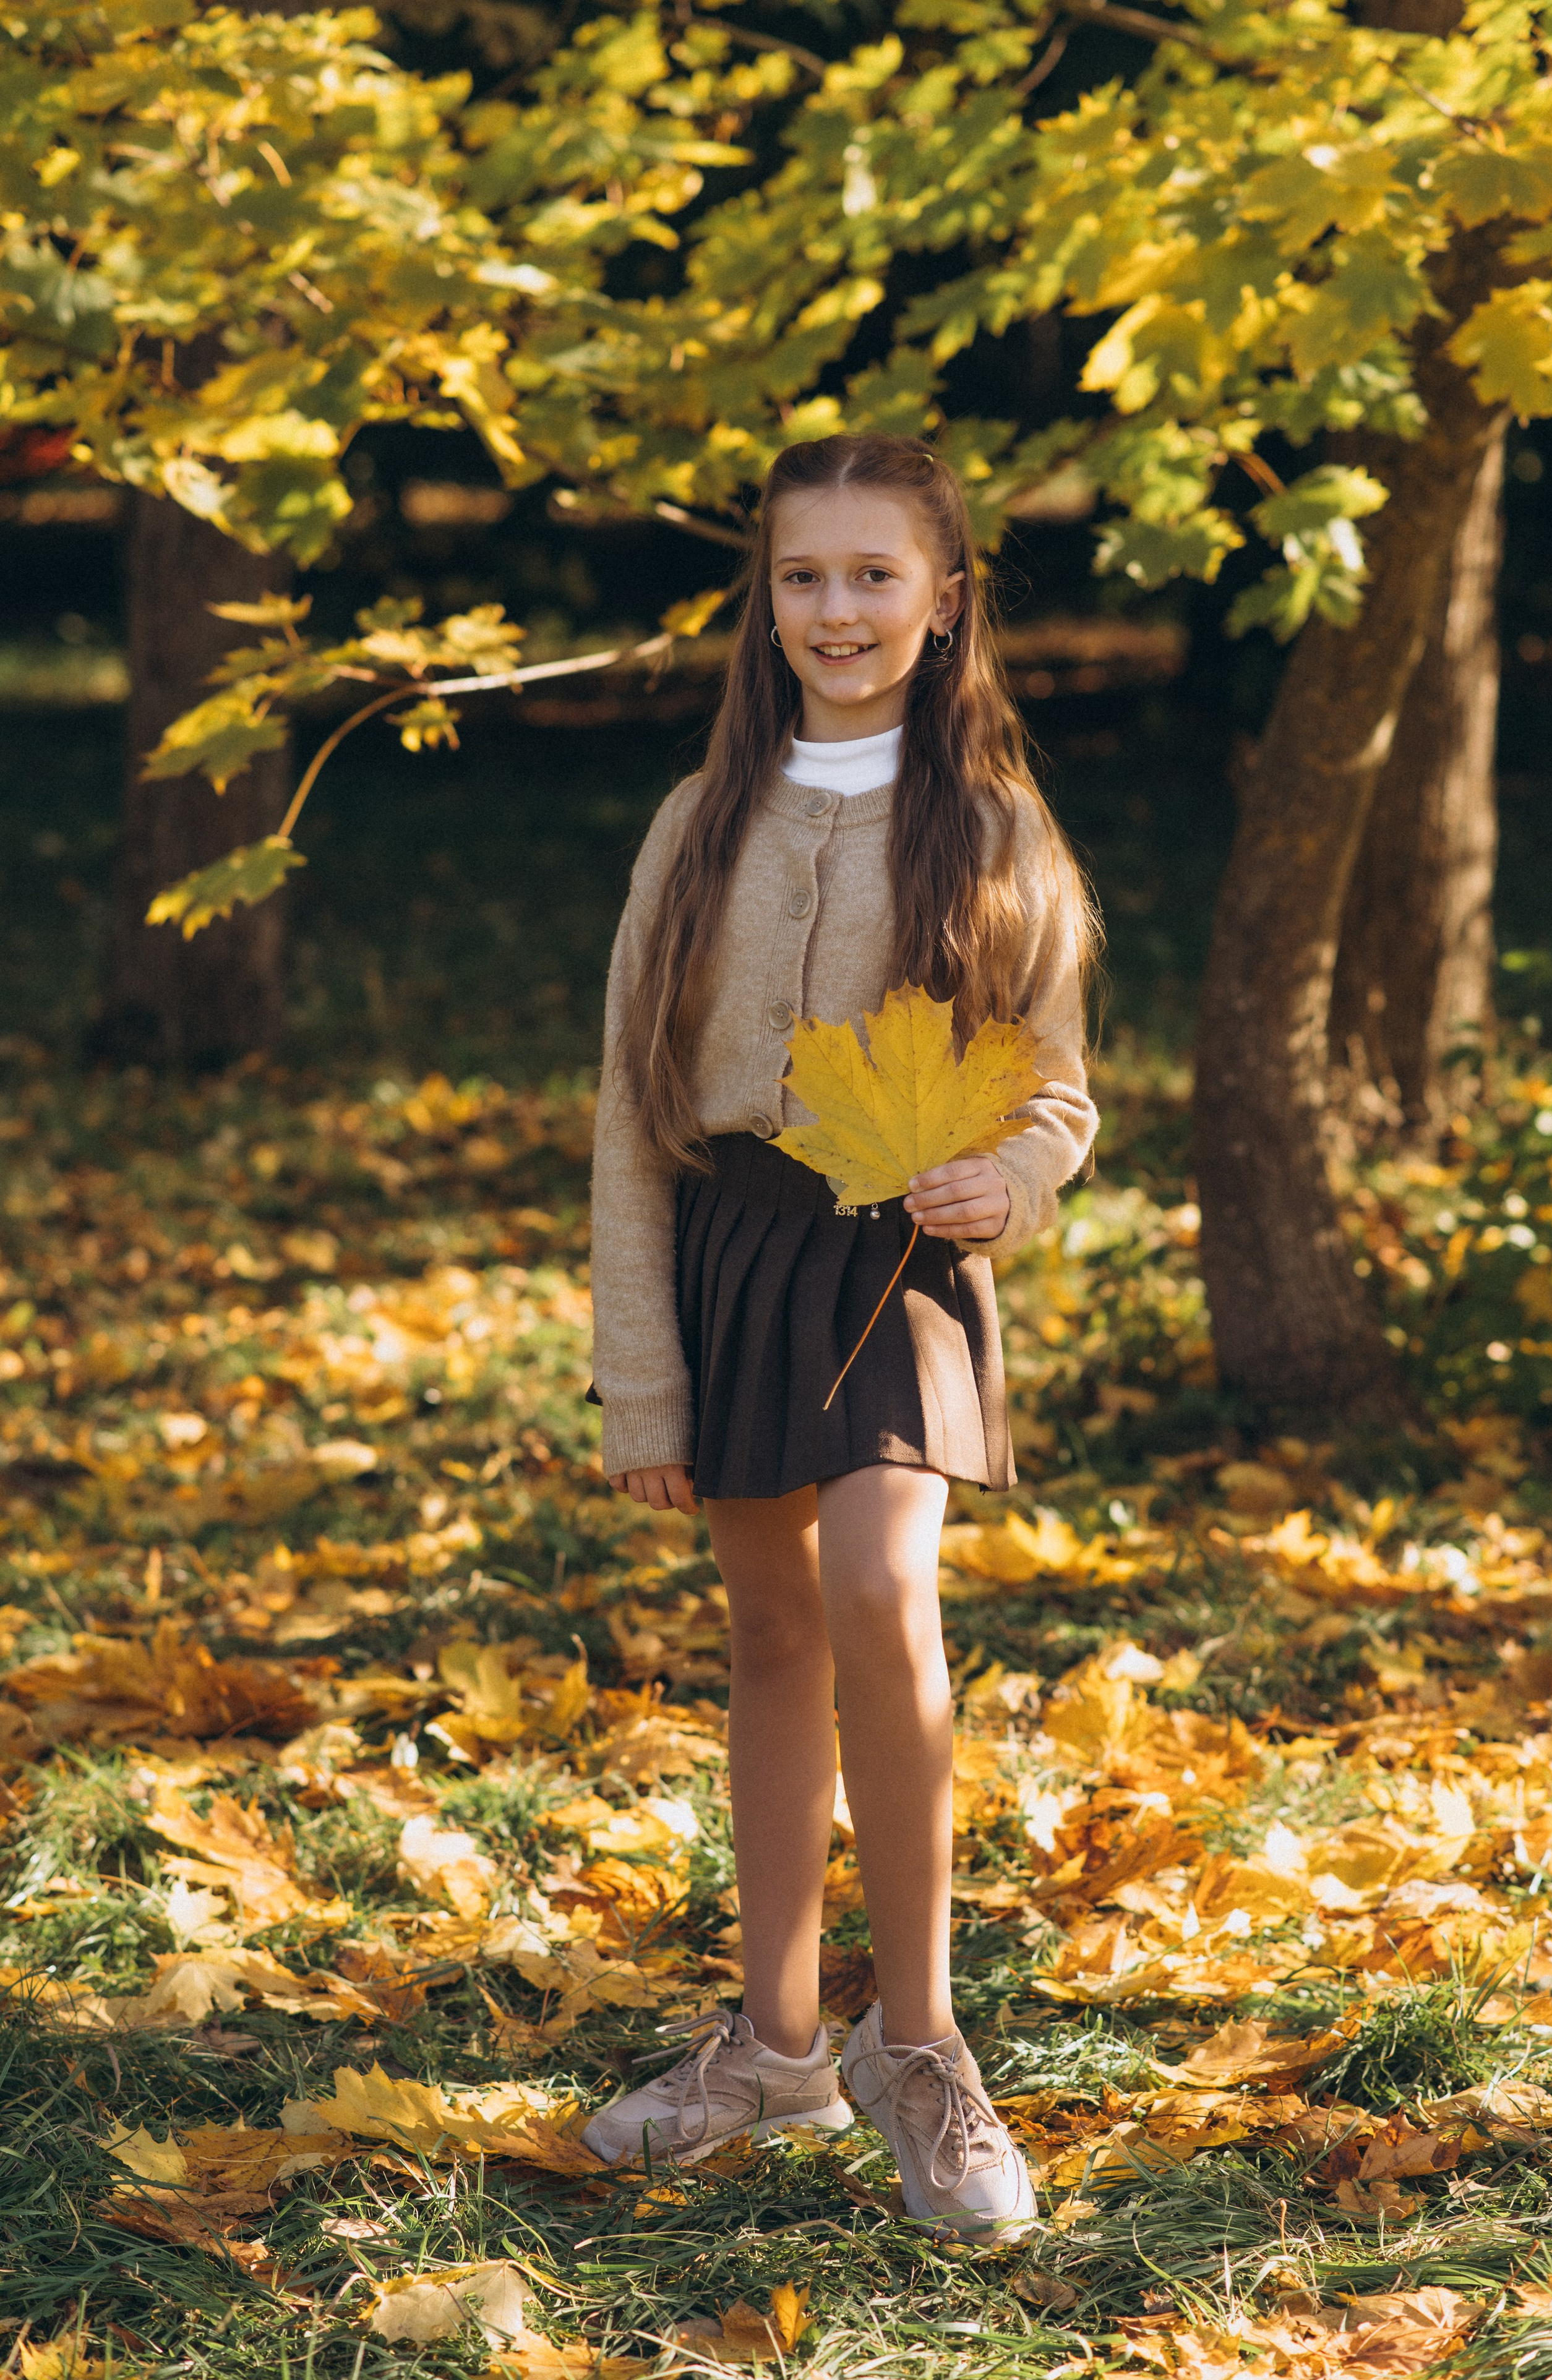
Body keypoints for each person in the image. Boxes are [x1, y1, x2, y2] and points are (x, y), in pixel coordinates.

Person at [581, 432, 1099, 2237]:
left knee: (884, 1589)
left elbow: (1057, 1089)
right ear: (768, 598)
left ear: (945, 601)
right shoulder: (698, 823)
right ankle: (781, 2043)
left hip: (901, 1261)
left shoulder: (997, 827)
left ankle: (923, 2045)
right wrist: (642, 1377)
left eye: (877, 574)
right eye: (804, 576)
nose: (838, 609)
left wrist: (1010, 1183)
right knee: (776, 1632)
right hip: (733, 1255)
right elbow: (632, 1114)